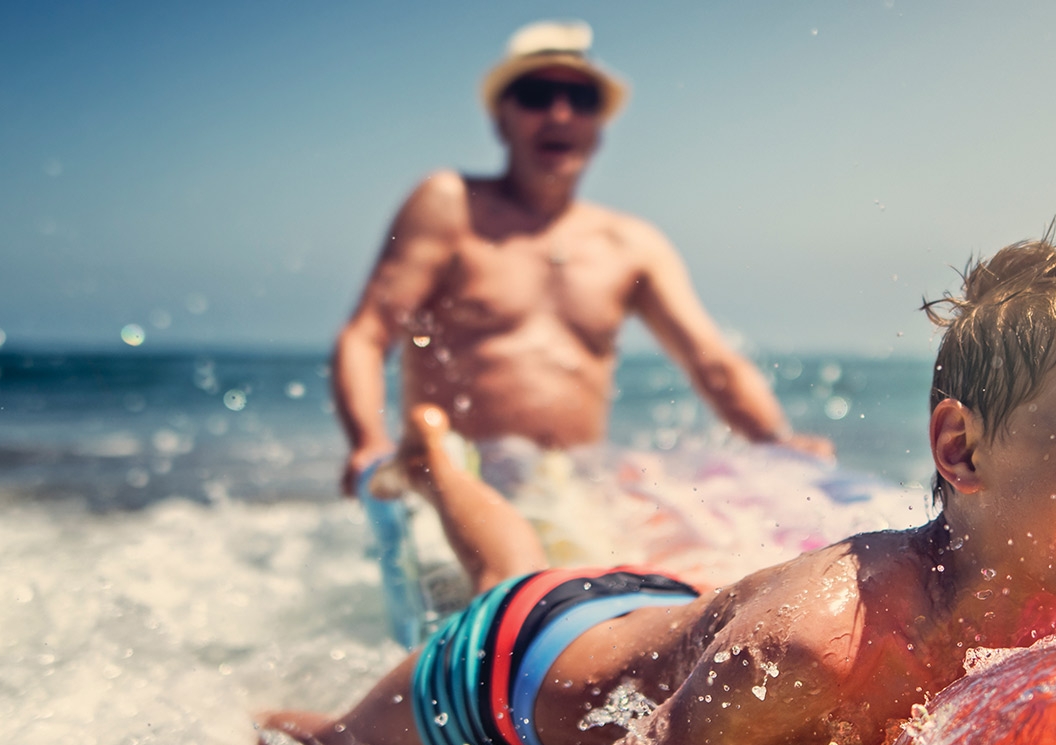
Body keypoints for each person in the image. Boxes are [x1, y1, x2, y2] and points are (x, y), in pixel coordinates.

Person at [261, 232, 1056, 745]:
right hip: (509, 667)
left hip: (659, 614)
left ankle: (445, 472)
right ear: (962, 451)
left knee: (519, 558)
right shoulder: (818, 643)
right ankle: (429, 474)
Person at [331, 19, 828, 502]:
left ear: (599, 127)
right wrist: (369, 443)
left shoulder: (631, 243)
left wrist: (774, 442)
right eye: (536, 95)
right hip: (456, 485)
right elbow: (367, 334)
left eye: (582, 100)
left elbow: (713, 363)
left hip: (574, 492)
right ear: (500, 118)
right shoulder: (449, 205)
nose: (561, 114)